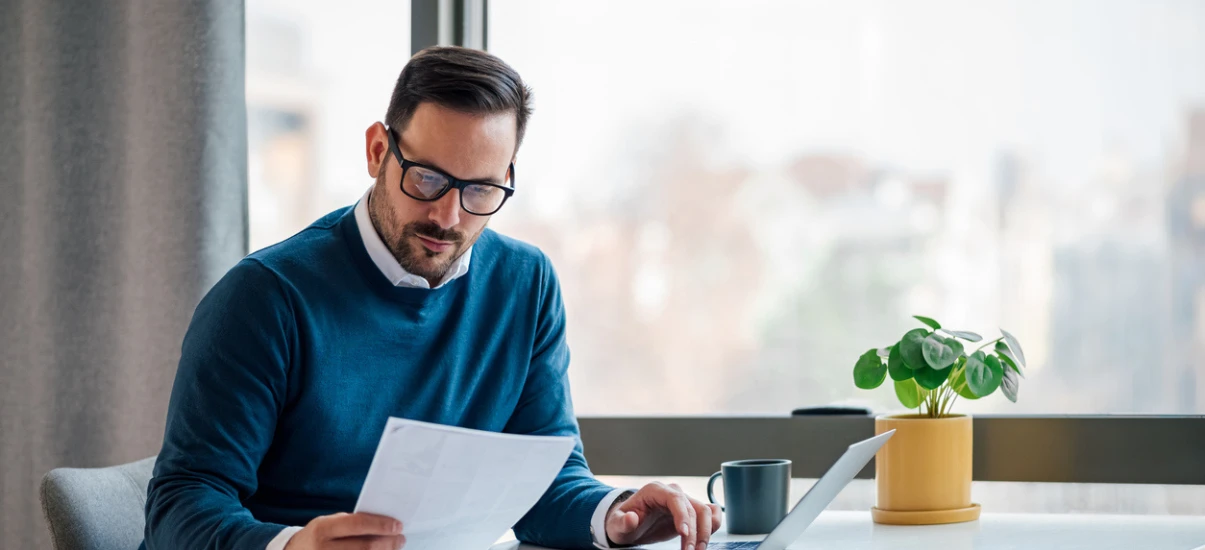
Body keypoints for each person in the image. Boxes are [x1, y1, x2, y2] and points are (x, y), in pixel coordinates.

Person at [142, 46, 722, 550]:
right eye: (426, 178)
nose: (447, 216)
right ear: (377, 151)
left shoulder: (526, 284)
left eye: (481, 190)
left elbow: (546, 479)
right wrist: (292, 545)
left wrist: (615, 515)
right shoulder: (265, 299)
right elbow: (180, 508)